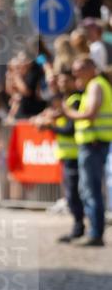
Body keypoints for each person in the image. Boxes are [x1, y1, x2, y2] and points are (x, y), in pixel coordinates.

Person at [62, 57, 112, 246]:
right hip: (93, 144)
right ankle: (93, 231)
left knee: (91, 190)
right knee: (88, 189)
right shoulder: (94, 85)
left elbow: (90, 114)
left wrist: (69, 113)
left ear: (91, 68)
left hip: (94, 144)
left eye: (78, 69)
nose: (75, 74)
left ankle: (95, 233)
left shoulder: (95, 85)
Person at [35, 70, 84, 243]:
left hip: (75, 155)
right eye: (60, 81)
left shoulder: (75, 100)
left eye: (65, 81)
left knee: (75, 195)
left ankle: (80, 229)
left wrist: (50, 127)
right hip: (68, 155)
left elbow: (70, 129)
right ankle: (79, 228)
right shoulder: (65, 101)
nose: (62, 84)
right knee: (73, 195)